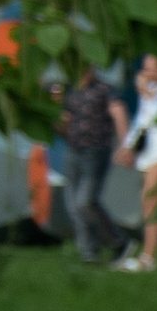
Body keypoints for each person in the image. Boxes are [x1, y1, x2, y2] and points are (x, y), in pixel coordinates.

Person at [112, 54, 157, 273]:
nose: (146, 74)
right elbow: (142, 122)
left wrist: (146, 93)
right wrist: (128, 146)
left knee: (150, 199)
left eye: (152, 69)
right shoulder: (149, 92)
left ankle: (148, 257)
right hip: (150, 154)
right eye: (144, 69)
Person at [56, 68, 130, 263]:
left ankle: (118, 241)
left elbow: (119, 112)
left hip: (96, 151)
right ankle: (89, 251)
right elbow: (65, 122)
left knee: (86, 201)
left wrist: (125, 145)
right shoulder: (71, 92)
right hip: (73, 150)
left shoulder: (105, 89)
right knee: (73, 203)